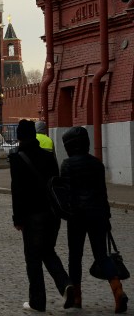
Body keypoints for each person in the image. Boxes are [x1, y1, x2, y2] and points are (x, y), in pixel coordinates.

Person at [60, 126, 128, 313]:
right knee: (102, 256)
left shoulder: (67, 164)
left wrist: (65, 212)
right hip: (98, 214)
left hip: (77, 217)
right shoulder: (97, 164)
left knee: (75, 257)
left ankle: (77, 297)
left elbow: (66, 193)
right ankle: (118, 290)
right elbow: (102, 193)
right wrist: (107, 217)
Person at [10, 120, 74, 312]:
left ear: (19, 137)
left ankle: (37, 302)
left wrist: (17, 219)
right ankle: (65, 284)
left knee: (33, 259)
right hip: (52, 213)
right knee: (48, 251)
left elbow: (17, 191)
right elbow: (56, 183)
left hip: (32, 215)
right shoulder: (48, 156)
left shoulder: (17, 158)